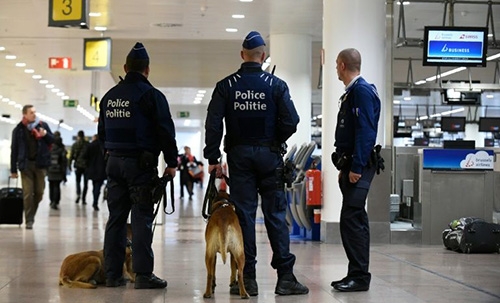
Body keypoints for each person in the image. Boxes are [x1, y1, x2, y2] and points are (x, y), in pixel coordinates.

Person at [203, 31, 308, 297]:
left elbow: (214, 124)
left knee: (245, 217)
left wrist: (213, 158)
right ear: (263, 56)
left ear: (242, 55)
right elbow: (291, 121)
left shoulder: (226, 86)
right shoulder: (276, 85)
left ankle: (246, 278)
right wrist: (275, 140)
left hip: (239, 158)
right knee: (275, 216)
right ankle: (285, 278)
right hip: (269, 157)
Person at [98, 42, 178, 289]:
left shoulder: (109, 97)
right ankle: (143, 274)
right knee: (141, 218)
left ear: (125, 67)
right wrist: (172, 162)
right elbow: (166, 131)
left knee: (116, 219)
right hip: (139, 166)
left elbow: (101, 133)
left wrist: (110, 157)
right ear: (147, 69)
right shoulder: (151, 96)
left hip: (114, 163)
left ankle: (112, 274)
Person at [330, 48, 381, 292]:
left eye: (335, 64)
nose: (335, 69)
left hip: (359, 165)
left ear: (342, 65)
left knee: (352, 219)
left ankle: (359, 277)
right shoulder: (354, 92)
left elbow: (366, 132)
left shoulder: (360, 91)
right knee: (354, 218)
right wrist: (346, 165)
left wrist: (357, 166)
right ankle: (356, 273)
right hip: (351, 163)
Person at [10, 104, 55, 229]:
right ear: (25, 114)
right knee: (28, 193)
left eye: (35, 112)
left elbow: (52, 141)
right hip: (26, 165)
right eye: (31, 112)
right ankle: (29, 220)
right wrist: (13, 169)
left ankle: (31, 214)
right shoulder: (18, 130)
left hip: (41, 165)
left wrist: (45, 134)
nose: (34, 114)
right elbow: (14, 150)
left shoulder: (43, 126)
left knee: (39, 193)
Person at [82, 134, 106, 211]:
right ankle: (95, 202)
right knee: (98, 187)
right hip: (101, 169)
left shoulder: (90, 145)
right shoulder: (103, 145)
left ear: (94, 137)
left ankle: (94, 201)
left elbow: (84, 156)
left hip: (91, 169)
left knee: (94, 185)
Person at [47, 131, 68, 210]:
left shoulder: (50, 149)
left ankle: (51, 200)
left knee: (51, 186)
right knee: (56, 186)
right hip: (58, 171)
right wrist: (64, 173)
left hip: (50, 170)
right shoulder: (61, 150)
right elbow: (63, 162)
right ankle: (55, 201)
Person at [70, 130, 89, 204]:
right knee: (85, 183)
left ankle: (78, 194)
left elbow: (71, 156)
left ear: (78, 136)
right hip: (86, 166)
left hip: (78, 166)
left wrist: (69, 165)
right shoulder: (87, 144)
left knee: (78, 181)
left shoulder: (75, 144)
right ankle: (84, 198)